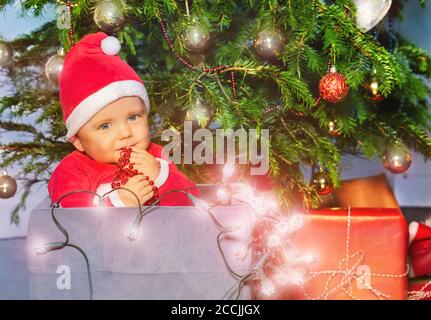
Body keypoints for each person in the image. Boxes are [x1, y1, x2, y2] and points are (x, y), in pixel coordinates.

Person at [48, 32, 198, 207]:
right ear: (78, 141)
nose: (126, 133)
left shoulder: (155, 155)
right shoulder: (73, 170)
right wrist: (115, 201)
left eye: (133, 117)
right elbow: (73, 220)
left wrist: (161, 176)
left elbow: (190, 204)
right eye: (105, 126)